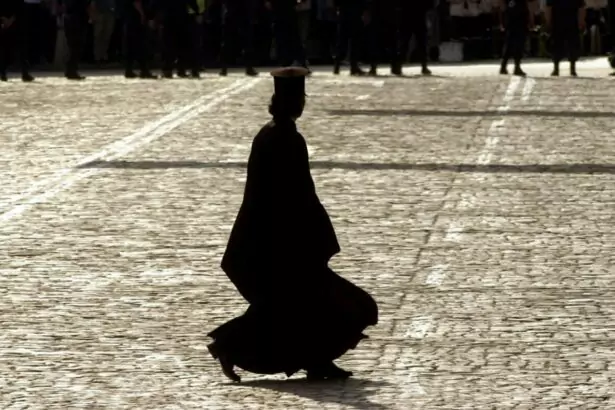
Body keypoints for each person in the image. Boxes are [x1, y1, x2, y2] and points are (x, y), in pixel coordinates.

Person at [207, 66, 378, 382]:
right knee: (312, 305)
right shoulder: (285, 139)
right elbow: (297, 193)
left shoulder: (270, 134)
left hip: (275, 239)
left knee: (295, 308)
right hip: (281, 243)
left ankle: (316, 360)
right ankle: (229, 345)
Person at [153, 0, 200, 78]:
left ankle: (168, 69)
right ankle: (181, 69)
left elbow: (158, 4)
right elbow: (192, 4)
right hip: (182, 18)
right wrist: (196, 13)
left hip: (169, 19)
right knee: (182, 45)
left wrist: (155, 17)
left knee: (169, 45)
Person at [545, 0, 586, 76]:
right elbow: (581, 7)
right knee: (571, 44)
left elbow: (548, 7)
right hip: (571, 22)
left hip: (558, 21)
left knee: (557, 45)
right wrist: (581, 21)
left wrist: (548, 22)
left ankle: (556, 68)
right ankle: (572, 69)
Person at [219, 0, 258, 76]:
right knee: (229, 43)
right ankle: (224, 68)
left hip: (239, 15)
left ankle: (248, 67)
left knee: (245, 43)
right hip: (235, 15)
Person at [393, 0, 432, 76]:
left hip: (408, 17)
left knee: (405, 44)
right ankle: (424, 67)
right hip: (418, 17)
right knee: (421, 44)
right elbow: (428, 5)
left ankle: (399, 66)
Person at [56, 0, 91, 80]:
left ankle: (70, 69)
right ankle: (71, 70)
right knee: (76, 46)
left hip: (71, 18)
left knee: (73, 46)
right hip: (77, 19)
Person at [1, 0, 35, 81]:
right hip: (10, 23)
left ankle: (23, 73)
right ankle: (4, 72)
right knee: (7, 49)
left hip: (16, 23)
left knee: (19, 49)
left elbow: (20, 7)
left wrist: (9, 20)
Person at [122, 0, 157, 78]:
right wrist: (142, 15)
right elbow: (137, 3)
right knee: (140, 46)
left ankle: (131, 70)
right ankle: (143, 70)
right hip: (135, 22)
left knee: (134, 46)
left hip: (133, 22)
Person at [333, 0, 370, 75]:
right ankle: (353, 67)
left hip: (344, 15)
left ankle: (337, 66)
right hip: (355, 15)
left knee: (342, 42)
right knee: (355, 43)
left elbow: (336, 3)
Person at [499, 0, 534, 76]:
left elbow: (503, 7)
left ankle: (507, 66)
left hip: (515, 21)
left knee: (511, 45)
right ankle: (513, 67)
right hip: (517, 21)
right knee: (516, 45)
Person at [91, 0, 115, 64]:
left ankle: (104, 55)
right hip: (99, 12)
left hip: (110, 13)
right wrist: (93, 14)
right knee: (98, 36)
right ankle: (97, 57)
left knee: (107, 36)